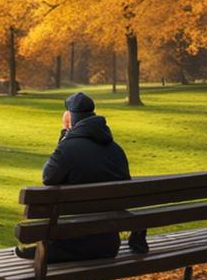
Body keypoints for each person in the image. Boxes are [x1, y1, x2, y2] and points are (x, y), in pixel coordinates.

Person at [15, 92, 149, 263]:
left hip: (76, 244)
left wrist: (65, 134)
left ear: (72, 119)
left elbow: (48, 177)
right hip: (108, 244)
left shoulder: (68, 148)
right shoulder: (115, 149)